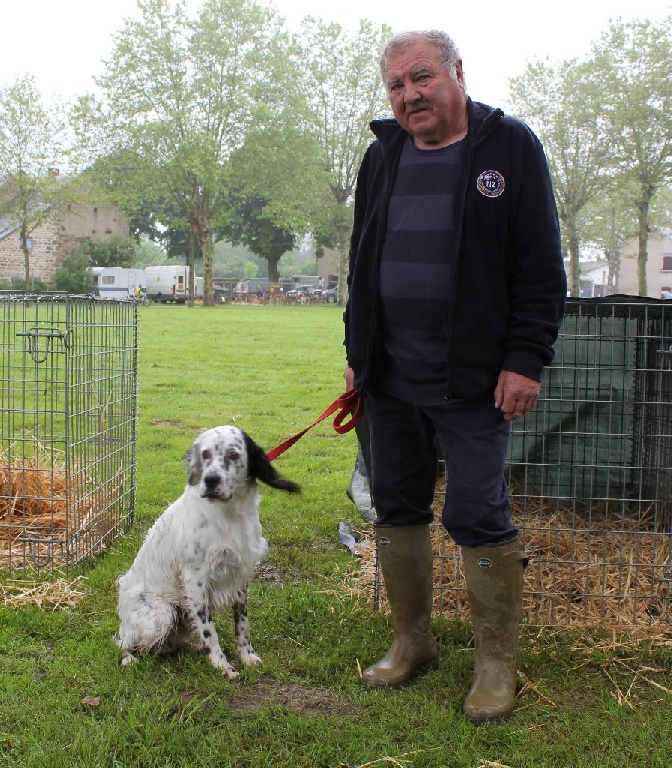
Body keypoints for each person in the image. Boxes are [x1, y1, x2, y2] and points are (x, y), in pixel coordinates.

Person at [343, 30, 566, 722]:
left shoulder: (509, 149)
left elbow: (540, 268)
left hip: (473, 380)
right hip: (390, 378)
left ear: (456, 73)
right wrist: (358, 355)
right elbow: (361, 266)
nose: (409, 95)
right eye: (396, 86)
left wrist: (524, 359)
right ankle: (412, 643)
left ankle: (497, 665)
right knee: (396, 505)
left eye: (421, 78)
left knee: (477, 511)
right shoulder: (381, 159)